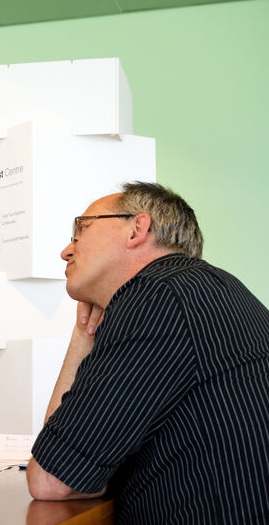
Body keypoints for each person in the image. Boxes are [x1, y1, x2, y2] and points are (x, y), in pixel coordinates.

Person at [26, 182, 269, 523]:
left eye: (81, 229)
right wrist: (85, 332)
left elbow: (52, 479)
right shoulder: (208, 289)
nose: (66, 251)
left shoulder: (158, 297)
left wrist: (82, 339)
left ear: (137, 229)